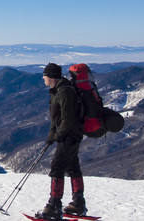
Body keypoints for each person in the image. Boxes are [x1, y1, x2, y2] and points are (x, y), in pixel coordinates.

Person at [36, 63, 87, 220]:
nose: (43, 79)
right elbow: (57, 117)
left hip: (69, 135)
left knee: (57, 167)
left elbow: (67, 117)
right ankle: (78, 203)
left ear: (51, 77)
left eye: (44, 76)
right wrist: (52, 134)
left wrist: (58, 135)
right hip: (71, 134)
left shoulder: (64, 91)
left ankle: (54, 206)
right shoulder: (57, 90)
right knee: (72, 167)